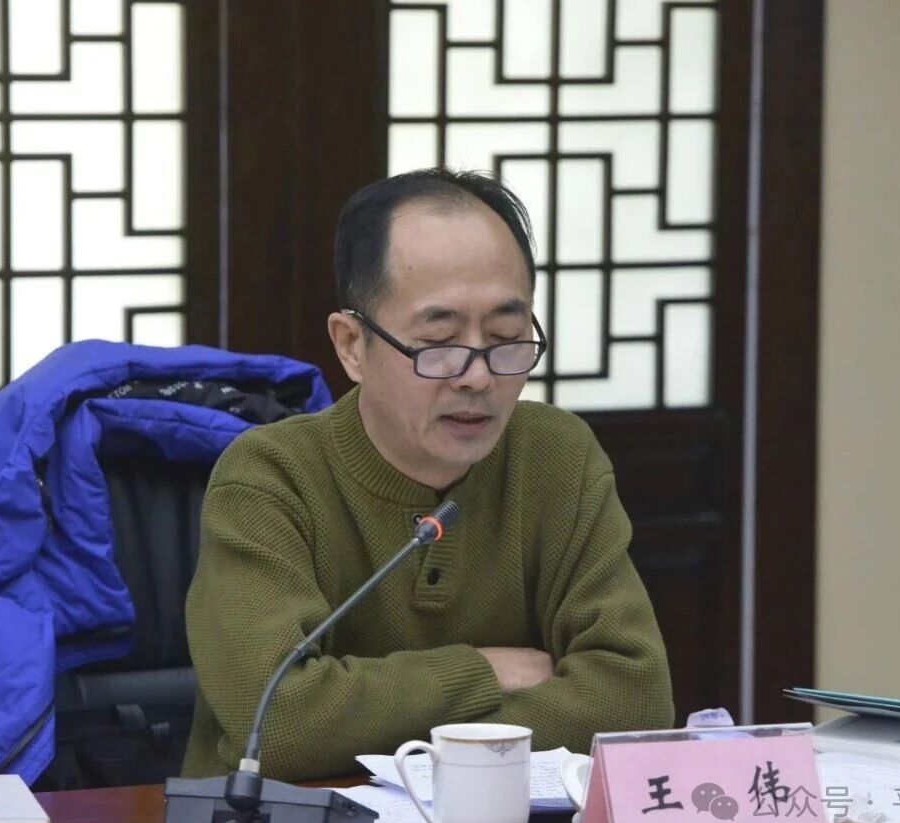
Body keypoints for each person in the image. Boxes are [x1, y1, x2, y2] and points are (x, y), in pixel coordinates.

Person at [182, 168, 673, 782]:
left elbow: (633, 700)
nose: (478, 376)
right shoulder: (270, 478)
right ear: (352, 344)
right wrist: (482, 672)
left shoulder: (556, 456)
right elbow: (281, 722)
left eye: (506, 336)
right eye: (439, 342)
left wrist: (379, 720)